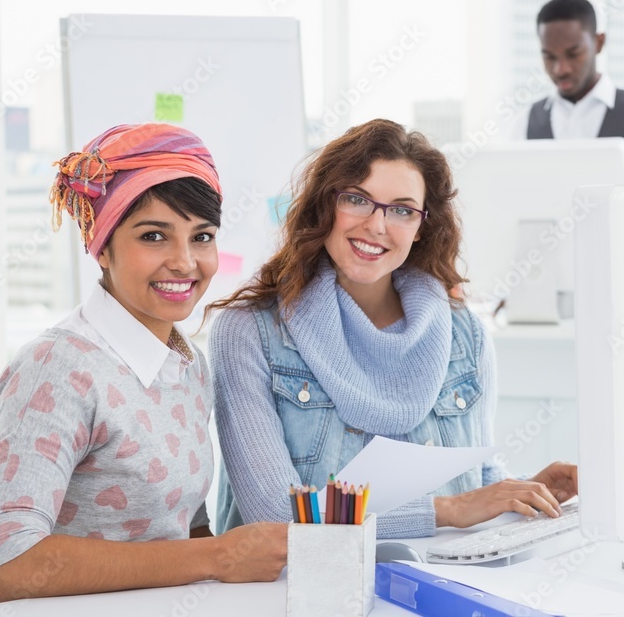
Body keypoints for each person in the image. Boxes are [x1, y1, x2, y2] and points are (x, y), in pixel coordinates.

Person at [208, 118, 578, 539]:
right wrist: (447, 510)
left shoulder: (464, 333)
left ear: (422, 227)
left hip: (438, 585)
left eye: (402, 210)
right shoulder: (249, 333)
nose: (377, 225)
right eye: (357, 199)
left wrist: (526, 490)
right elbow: (276, 518)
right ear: (323, 205)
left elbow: (473, 481)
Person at [0, 124, 286, 605]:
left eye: (201, 237)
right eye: (154, 236)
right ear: (103, 247)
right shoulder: (57, 366)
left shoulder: (187, 363)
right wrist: (219, 558)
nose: (185, 262)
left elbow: (186, 525)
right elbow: (7, 565)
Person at [512, 0, 624, 185]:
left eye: (573, 54)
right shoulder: (524, 124)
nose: (560, 69)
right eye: (549, 57)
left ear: (599, 43)